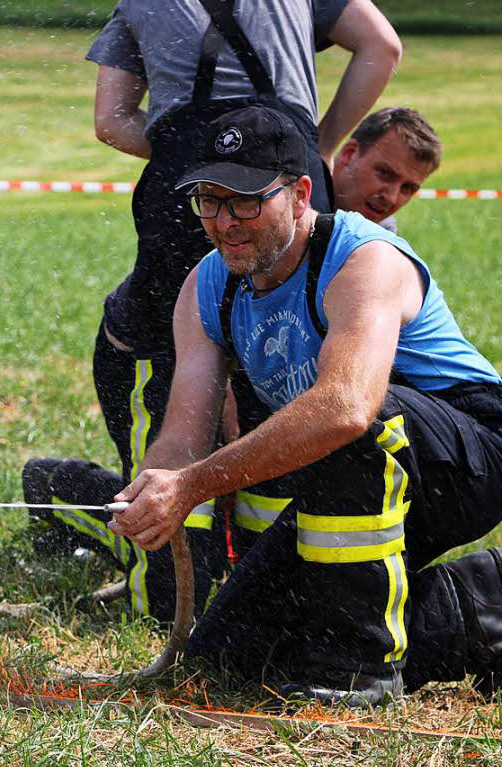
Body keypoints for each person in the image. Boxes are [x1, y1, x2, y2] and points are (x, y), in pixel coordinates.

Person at [106, 105, 502, 706]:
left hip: (473, 450)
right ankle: (485, 602)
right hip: (365, 464)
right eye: (209, 201)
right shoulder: (206, 285)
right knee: (232, 656)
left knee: (355, 427)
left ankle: (356, 671)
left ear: (299, 195)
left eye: (244, 201)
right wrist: (157, 488)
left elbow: (346, 407)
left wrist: (193, 485)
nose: (224, 222)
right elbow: (184, 435)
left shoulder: (365, 259)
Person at [24, 0, 402, 620]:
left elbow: (110, 119)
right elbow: (382, 47)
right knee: (277, 365)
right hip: (290, 161)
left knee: (167, 369)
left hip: (184, 173)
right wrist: (315, 143)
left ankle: (178, 565)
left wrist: (187, 152)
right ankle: (217, 546)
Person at [332, 107, 442, 232]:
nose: (391, 198)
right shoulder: (306, 200)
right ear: (350, 153)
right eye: (384, 173)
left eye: (407, 188)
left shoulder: (382, 232)